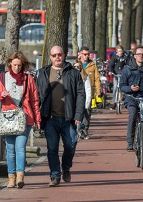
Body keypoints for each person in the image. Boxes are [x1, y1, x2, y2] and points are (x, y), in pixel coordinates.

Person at [36, 46, 85, 187]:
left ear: (64, 55)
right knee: (52, 148)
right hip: (50, 118)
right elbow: (37, 96)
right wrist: (37, 117)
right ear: (50, 57)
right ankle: (55, 175)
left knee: (70, 145)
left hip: (68, 118)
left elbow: (81, 94)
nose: (57, 57)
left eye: (59, 54)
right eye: (54, 55)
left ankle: (66, 168)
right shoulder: (42, 73)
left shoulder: (74, 73)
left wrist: (78, 115)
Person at [0, 51, 41, 189]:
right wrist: (1, 95)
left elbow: (35, 99)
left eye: (20, 65)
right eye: (15, 64)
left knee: (20, 147)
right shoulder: (2, 78)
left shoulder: (28, 79)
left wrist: (37, 119)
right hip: (8, 118)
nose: (17, 67)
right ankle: (11, 178)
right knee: (10, 149)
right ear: (10, 63)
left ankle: (20, 177)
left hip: (25, 117)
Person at [79, 46, 100, 129]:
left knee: (87, 111)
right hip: (79, 91)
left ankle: (85, 129)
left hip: (89, 92)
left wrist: (98, 92)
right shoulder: (76, 64)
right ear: (80, 54)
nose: (86, 56)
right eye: (84, 54)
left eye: (88, 54)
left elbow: (97, 79)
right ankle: (78, 127)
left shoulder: (92, 65)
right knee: (79, 110)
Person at [73, 59, 92, 139]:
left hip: (83, 100)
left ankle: (83, 131)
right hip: (74, 100)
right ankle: (76, 131)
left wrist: (87, 102)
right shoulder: (71, 76)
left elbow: (88, 89)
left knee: (85, 116)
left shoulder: (85, 76)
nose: (77, 68)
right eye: (75, 66)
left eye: (78, 66)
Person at [108, 45, 128, 110]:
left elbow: (128, 65)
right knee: (115, 88)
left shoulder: (125, 57)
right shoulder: (114, 57)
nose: (120, 52)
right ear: (116, 51)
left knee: (125, 87)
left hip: (123, 75)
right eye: (119, 51)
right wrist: (110, 71)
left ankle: (126, 101)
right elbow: (111, 65)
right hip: (116, 74)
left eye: (121, 51)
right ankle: (114, 103)